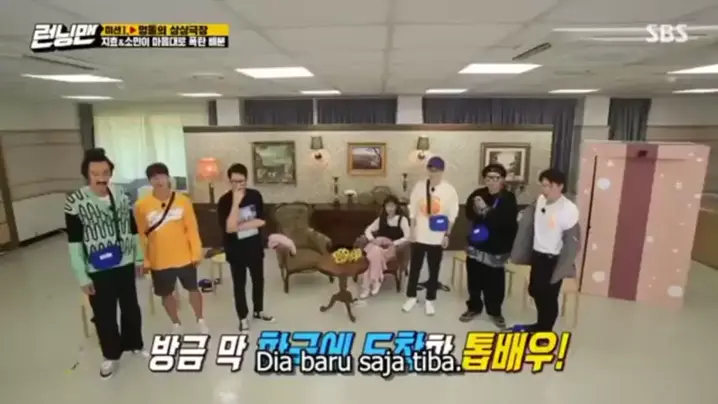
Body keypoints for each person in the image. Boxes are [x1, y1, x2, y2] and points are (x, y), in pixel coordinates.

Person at [64, 148, 145, 379]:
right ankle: (110, 355)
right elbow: (74, 242)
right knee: (104, 313)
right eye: (95, 173)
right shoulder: (75, 202)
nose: (101, 178)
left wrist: (139, 257)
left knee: (131, 307)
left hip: (124, 261)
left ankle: (134, 344)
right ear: (87, 174)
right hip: (97, 267)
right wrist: (82, 275)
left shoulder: (121, 194)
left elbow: (132, 228)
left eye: (105, 172)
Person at [134, 163, 208, 334]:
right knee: (166, 293)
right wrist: (145, 260)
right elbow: (141, 234)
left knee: (193, 289)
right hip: (159, 259)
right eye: (154, 178)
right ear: (149, 181)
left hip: (185, 256)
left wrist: (196, 252)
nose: (158, 181)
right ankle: (176, 323)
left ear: (168, 178)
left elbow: (192, 229)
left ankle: (200, 320)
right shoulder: (141, 205)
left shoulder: (183, 201)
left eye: (161, 176)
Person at [509, 168, 580, 334]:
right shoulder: (540, 200)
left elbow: (572, 243)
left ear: (560, 186)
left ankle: (545, 331)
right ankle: (540, 324)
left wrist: (564, 267)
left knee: (548, 296)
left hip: (554, 259)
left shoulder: (568, 209)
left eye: (548, 186)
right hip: (537, 255)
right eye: (543, 185)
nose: (544, 190)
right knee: (535, 290)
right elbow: (531, 218)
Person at [217, 163, 274, 333]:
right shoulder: (224, 201)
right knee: (239, 284)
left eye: (241, 181)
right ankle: (242, 317)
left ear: (246, 180)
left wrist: (238, 226)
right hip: (235, 249)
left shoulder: (255, 196)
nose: (238, 185)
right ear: (229, 181)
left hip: (254, 246)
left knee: (258, 280)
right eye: (234, 181)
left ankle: (258, 311)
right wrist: (236, 203)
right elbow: (228, 228)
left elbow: (261, 221)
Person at [460, 164, 518, 328]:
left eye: (496, 178)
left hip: (496, 246)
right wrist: (476, 208)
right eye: (489, 178)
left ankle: (495, 312)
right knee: (474, 279)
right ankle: (474, 307)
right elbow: (469, 215)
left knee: (495, 282)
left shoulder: (508, 198)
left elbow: (506, 222)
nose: (492, 181)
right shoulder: (477, 194)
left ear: (502, 180)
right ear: (484, 179)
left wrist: (485, 209)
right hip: (477, 244)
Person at [403, 156, 459, 315]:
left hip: (437, 236)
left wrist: (447, 235)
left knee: (434, 269)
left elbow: (452, 215)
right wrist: (412, 231)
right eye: (431, 169)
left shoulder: (449, 190)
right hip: (419, 235)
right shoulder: (420, 186)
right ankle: (411, 296)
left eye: (436, 170)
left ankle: (430, 299)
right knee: (415, 267)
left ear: (442, 171)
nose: (433, 172)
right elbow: (413, 210)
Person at [360, 195, 410, 299]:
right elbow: (368, 230)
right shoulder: (381, 219)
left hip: (392, 248)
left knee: (372, 256)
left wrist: (393, 243)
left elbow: (408, 236)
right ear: (384, 207)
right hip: (378, 245)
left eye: (392, 206)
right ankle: (376, 280)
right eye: (388, 206)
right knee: (376, 251)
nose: (390, 209)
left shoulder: (402, 220)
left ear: (396, 207)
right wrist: (372, 240)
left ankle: (366, 287)